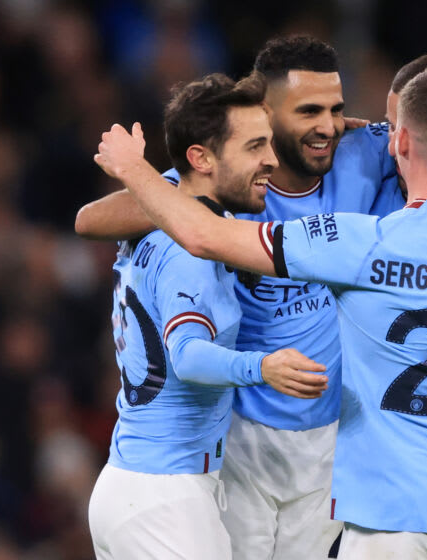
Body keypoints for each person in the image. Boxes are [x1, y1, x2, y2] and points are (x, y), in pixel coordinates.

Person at [78, 41, 427, 558]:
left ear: (402, 138)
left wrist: (134, 167)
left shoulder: (359, 226)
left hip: (342, 454)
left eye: (338, 111)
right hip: (250, 439)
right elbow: (92, 219)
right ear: (263, 117)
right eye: (310, 110)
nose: (331, 125)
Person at [87, 72, 329, 560]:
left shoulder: (160, 221)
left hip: (138, 485)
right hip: (164, 494)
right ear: (200, 158)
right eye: (255, 146)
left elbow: (92, 218)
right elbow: (188, 356)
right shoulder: (190, 252)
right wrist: (262, 367)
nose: (271, 160)